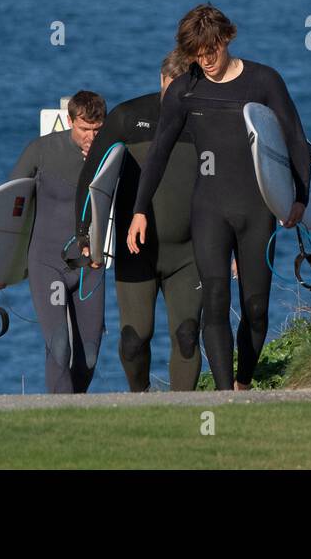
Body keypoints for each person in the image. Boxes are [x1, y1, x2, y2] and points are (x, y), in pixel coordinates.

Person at [124, 5, 310, 391]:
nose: (204, 62)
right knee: (214, 302)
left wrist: (299, 197)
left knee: (256, 308)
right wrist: (140, 209)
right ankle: (227, 395)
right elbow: (158, 151)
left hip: (257, 209)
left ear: (227, 39)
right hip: (208, 209)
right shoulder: (184, 89)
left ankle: (243, 380)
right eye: (196, 55)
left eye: (211, 52)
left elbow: (293, 135)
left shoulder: (263, 81)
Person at [72, 51, 203, 391]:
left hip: (190, 253)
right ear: (162, 80)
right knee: (134, 338)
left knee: (188, 335)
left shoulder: (204, 118)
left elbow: (229, 180)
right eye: (172, 89)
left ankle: (183, 415)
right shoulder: (128, 117)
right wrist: (86, 236)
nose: (178, 99)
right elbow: (91, 177)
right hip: (135, 252)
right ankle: (140, 399)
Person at [10, 90, 106, 394]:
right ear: (70, 121)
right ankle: (60, 414)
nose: (91, 137)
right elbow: (9, 206)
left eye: (97, 129)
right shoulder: (41, 150)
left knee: (89, 356)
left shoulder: (111, 155)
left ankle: (72, 414)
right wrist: (0, 267)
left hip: (90, 266)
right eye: (84, 129)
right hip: (47, 262)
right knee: (59, 346)